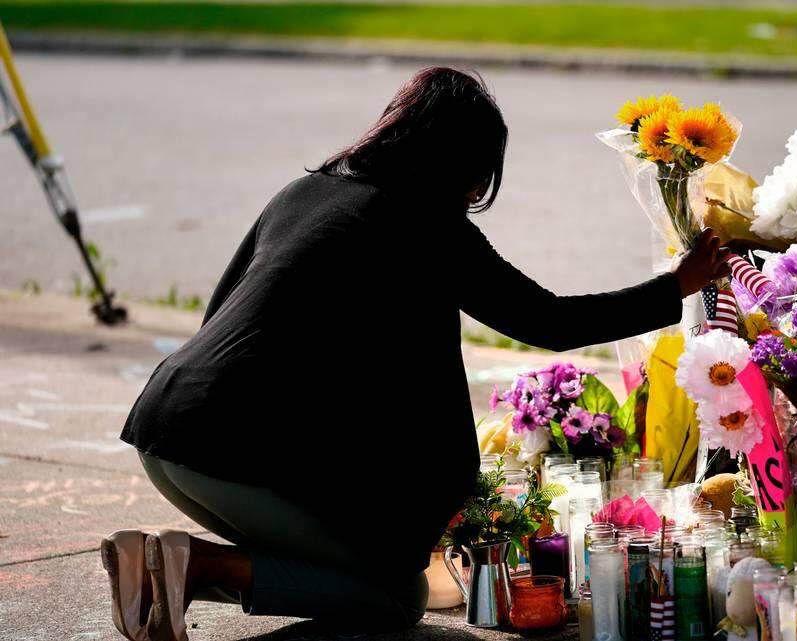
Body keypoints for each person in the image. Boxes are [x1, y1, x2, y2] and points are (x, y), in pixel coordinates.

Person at [102, 66, 729, 641]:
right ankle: (192, 564)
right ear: (458, 164)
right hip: (228, 454)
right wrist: (674, 286)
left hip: (165, 429)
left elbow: (226, 316)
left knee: (346, 561)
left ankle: (159, 569)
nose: (475, 193)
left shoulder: (303, 192)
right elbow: (545, 318)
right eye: (478, 176)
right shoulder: (428, 227)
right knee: (393, 593)